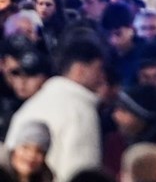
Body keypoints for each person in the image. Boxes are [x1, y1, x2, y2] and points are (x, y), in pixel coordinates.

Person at [5, 38, 107, 180]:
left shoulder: (32, 104)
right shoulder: (80, 111)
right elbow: (82, 171)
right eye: (98, 69)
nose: (102, 77)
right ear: (80, 70)